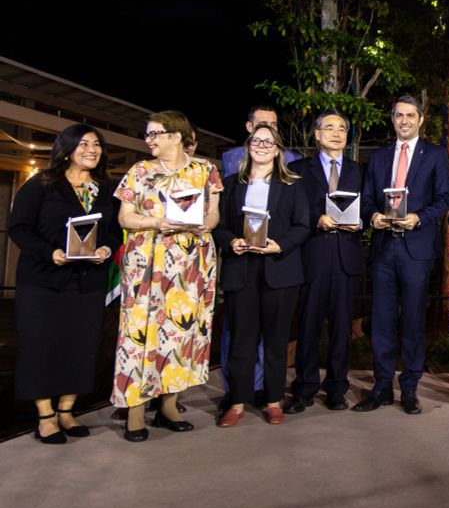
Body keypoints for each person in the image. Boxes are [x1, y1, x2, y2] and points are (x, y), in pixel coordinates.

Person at [113, 110, 222, 442]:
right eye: (147, 135)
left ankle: (169, 406)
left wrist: (209, 223)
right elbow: (125, 217)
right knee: (139, 336)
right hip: (148, 262)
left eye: (155, 134)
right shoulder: (139, 172)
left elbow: (214, 211)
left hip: (191, 265)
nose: (150, 140)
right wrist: (156, 223)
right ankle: (134, 410)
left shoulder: (205, 170)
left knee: (179, 334)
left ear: (176, 136)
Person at [9, 124, 122, 443]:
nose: (92, 149)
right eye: (84, 143)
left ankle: (67, 412)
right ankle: (45, 416)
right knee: (39, 345)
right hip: (42, 280)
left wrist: (106, 249)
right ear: (67, 148)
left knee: (81, 346)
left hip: (87, 283)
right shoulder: (42, 184)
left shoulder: (106, 188)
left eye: (97, 144)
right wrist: (51, 253)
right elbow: (19, 228)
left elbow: (113, 232)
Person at [357, 96, 449, 414]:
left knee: (412, 321)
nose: (405, 120)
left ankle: (409, 389)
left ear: (421, 119)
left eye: (411, 115)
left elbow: (443, 198)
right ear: (393, 118)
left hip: (417, 248)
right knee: (381, 322)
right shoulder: (381, 158)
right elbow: (368, 198)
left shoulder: (436, 155)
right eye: (399, 115)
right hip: (384, 247)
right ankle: (382, 387)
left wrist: (420, 218)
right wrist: (372, 217)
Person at [214, 124, 309, 426]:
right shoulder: (231, 184)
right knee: (242, 339)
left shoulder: (293, 185)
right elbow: (218, 226)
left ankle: (273, 400)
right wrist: (231, 242)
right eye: (257, 141)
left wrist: (279, 246)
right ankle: (237, 402)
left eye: (269, 142)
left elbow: (303, 226)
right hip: (241, 269)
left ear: (279, 149)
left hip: (279, 270)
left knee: (276, 341)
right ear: (248, 146)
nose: (262, 146)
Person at [284, 110, 365, 414]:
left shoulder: (359, 171)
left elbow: (367, 207)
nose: (335, 133)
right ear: (317, 134)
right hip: (312, 256)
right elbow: (291, 210)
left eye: (341, 128)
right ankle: (303, 389)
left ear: (347, 135)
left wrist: (360, 223)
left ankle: (336, 388)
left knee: (342, 328)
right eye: (328, 128)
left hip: (346, 257)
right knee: (307, 326)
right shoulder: (297, 168)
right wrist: (315, 219)